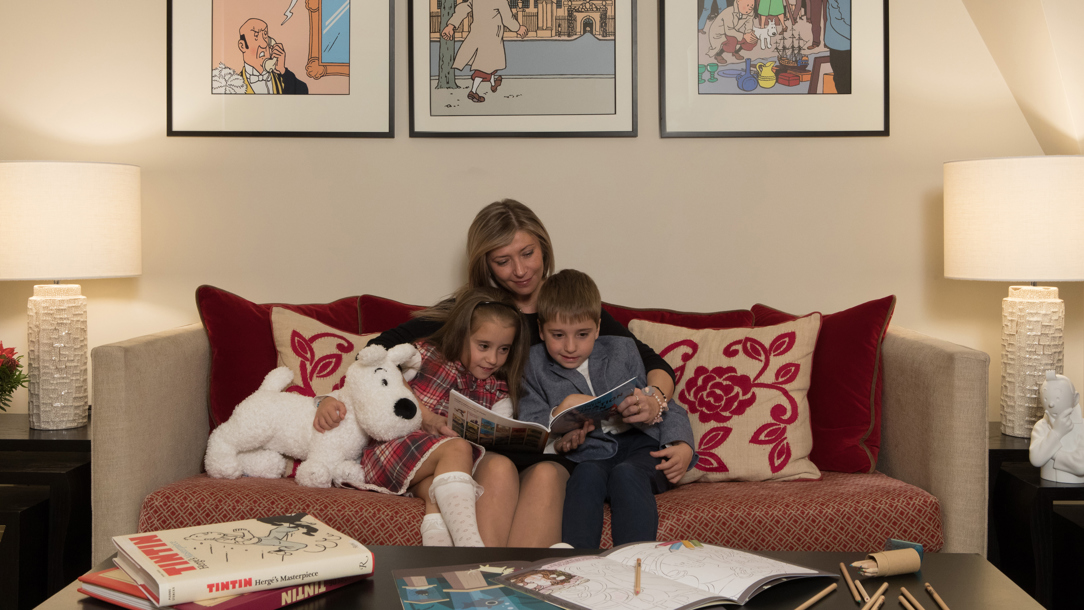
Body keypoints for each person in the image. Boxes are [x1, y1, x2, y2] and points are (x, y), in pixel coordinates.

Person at [365, 199, 679, 547]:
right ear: (486, 264)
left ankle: (523, 590)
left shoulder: (567, 304)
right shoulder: (476, 309)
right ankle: (482, 585)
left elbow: (654, 363)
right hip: (489, 451)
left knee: (547, 474)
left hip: (557, 451)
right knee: (498, 469)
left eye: (527, 253)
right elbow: (375, 354)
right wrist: (423, 415)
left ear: (543, 247)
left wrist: (654, 399)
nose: (519, 270)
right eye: (503, 261)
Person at [314, 288, 531, 546]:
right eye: (483, 346)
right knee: (458, 448)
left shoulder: (498, 387)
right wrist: (326, 399)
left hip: (434, 467)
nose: (492, 359)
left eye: (504, 349)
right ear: (461, 336)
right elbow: (370, 383)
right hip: (392, 451)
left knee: (438, 492)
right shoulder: (423, 356)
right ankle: (470, 546)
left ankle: (441, 562)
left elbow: (498, 429)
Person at [518, 270, 696, 549]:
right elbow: (531, 421)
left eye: (582, 334)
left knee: (627, 473)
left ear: (598, 329)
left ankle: (637, 562)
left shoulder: (621, 349)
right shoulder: (533, 364)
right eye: (557, 335)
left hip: (642, 445)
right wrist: (560, 430)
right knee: (585, 476)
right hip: (592, 452)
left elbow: (663, 403)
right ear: (541, 330)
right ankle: (578, 564)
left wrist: (682, 444)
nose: (570, 346)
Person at [441, 0, 528, 103]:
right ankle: (473, 91)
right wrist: (518, 28)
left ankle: (493, 84)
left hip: (478, 34)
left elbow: (463, 8)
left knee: (490, 64)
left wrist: (451, 25)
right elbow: (508, 19)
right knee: (483, 66)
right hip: (491, 38)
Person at [236, 18, 308, 94]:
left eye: (265, 35)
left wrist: (283, 71)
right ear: (242, 46)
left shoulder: (283, 80)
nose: (264, 44)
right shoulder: (233, 87)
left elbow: (303, 93)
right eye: (256, 37)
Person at [705, 0, 759, 65]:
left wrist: (750, 35)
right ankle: (718, 54)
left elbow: (748, 27)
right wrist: (744, 36)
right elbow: (729, 31)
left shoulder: (750, 13)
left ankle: (736, 52)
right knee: (732, 40)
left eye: (752, 6)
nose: (749, 8)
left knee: (752, 40)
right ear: (738, 2)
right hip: (720, 34)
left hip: (733, 32)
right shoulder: (729, 12)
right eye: (747, 5)